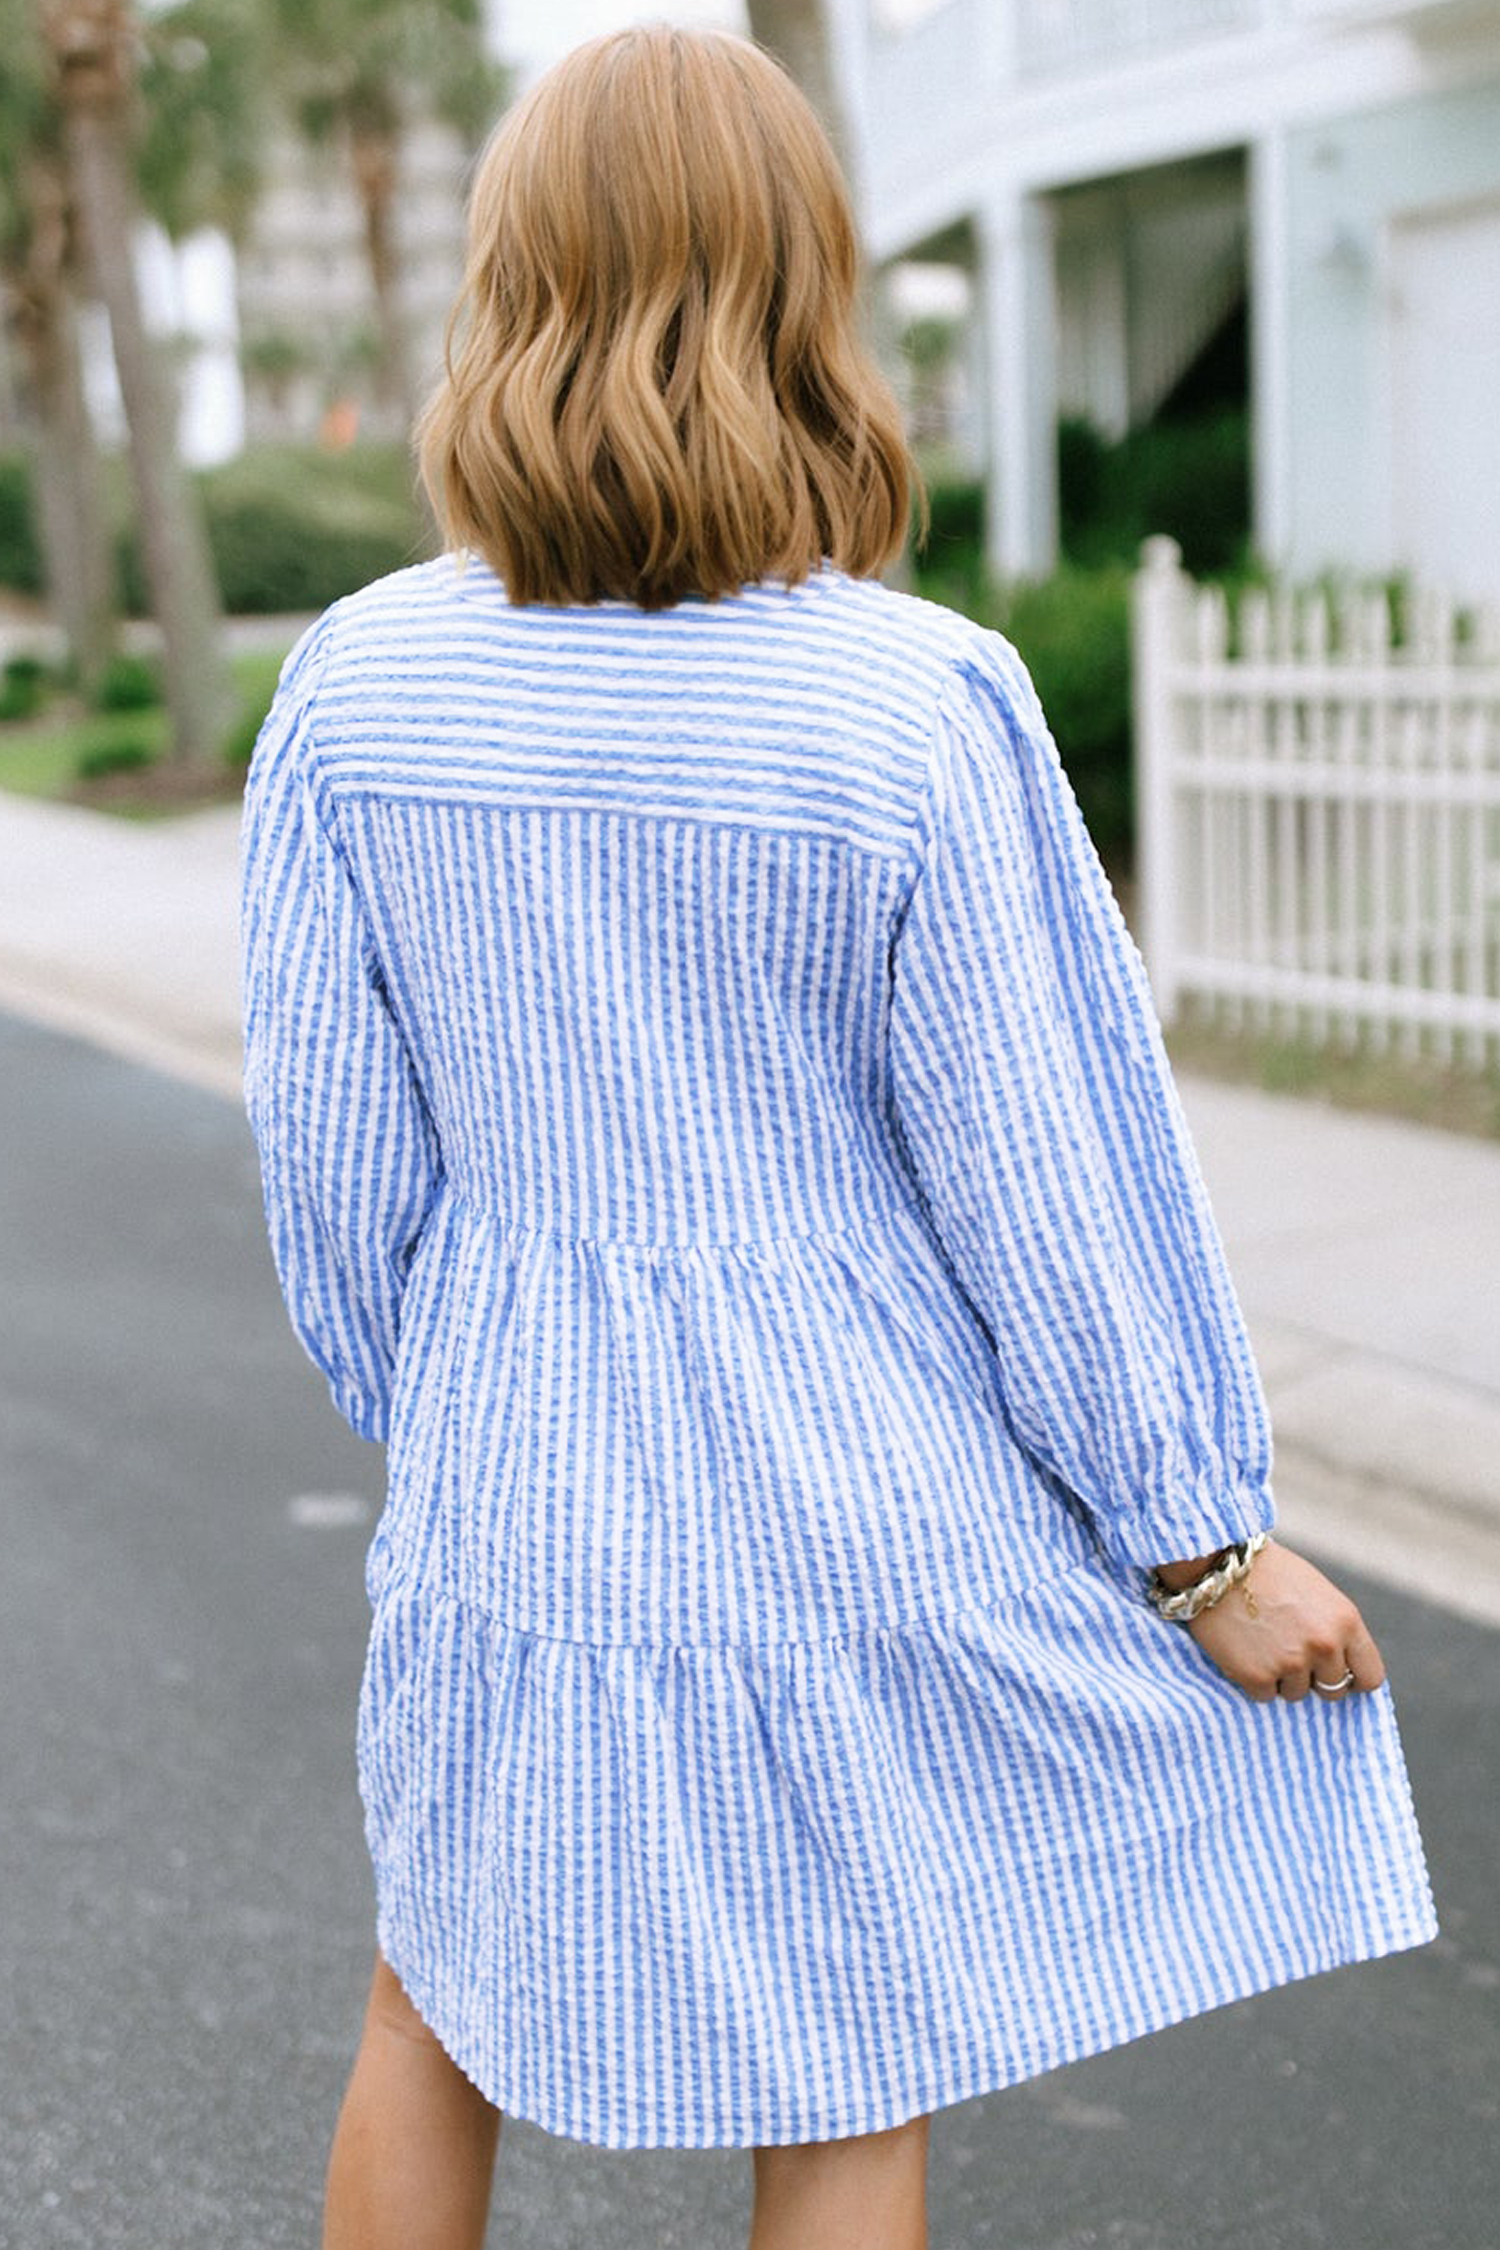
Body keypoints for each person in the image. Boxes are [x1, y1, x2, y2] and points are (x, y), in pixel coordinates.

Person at [238, 27, 1436, 2250]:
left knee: (431, 2004)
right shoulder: (915, 700)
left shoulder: (355, 684)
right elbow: (1048, 1185)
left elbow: (330, 1169)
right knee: (848, 2056)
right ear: (804, 293)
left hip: (523, 1461)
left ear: (510, 280)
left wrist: (477, 1404)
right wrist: (1204, 1550)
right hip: (853, 1480)